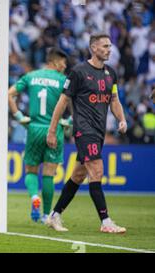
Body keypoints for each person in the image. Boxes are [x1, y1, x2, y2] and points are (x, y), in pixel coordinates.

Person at [46, 33, 127, 233]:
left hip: (99, 132)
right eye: (105, 46)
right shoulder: (78, 72)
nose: (109, 49)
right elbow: (62, 102)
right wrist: (52, 130)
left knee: (79, 174)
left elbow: (114, 100)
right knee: (97, 171)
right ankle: (106, 222)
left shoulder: (111, 73)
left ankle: (54, 216)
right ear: (93, 48)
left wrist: (122, 119)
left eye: (110, 46)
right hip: (84, 130)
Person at [8, 48, 70, 223]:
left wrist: (19, 116)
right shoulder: (63, 80)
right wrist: (70, 121)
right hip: (53, 129)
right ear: (55, 62)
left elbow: (9, 94)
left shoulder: (31, 76)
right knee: (49, 173)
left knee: (31, 170)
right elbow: (76, 102)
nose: (65, 66)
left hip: (33, 128)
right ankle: (46, 214)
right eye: (63, 62)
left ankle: (34, 196)